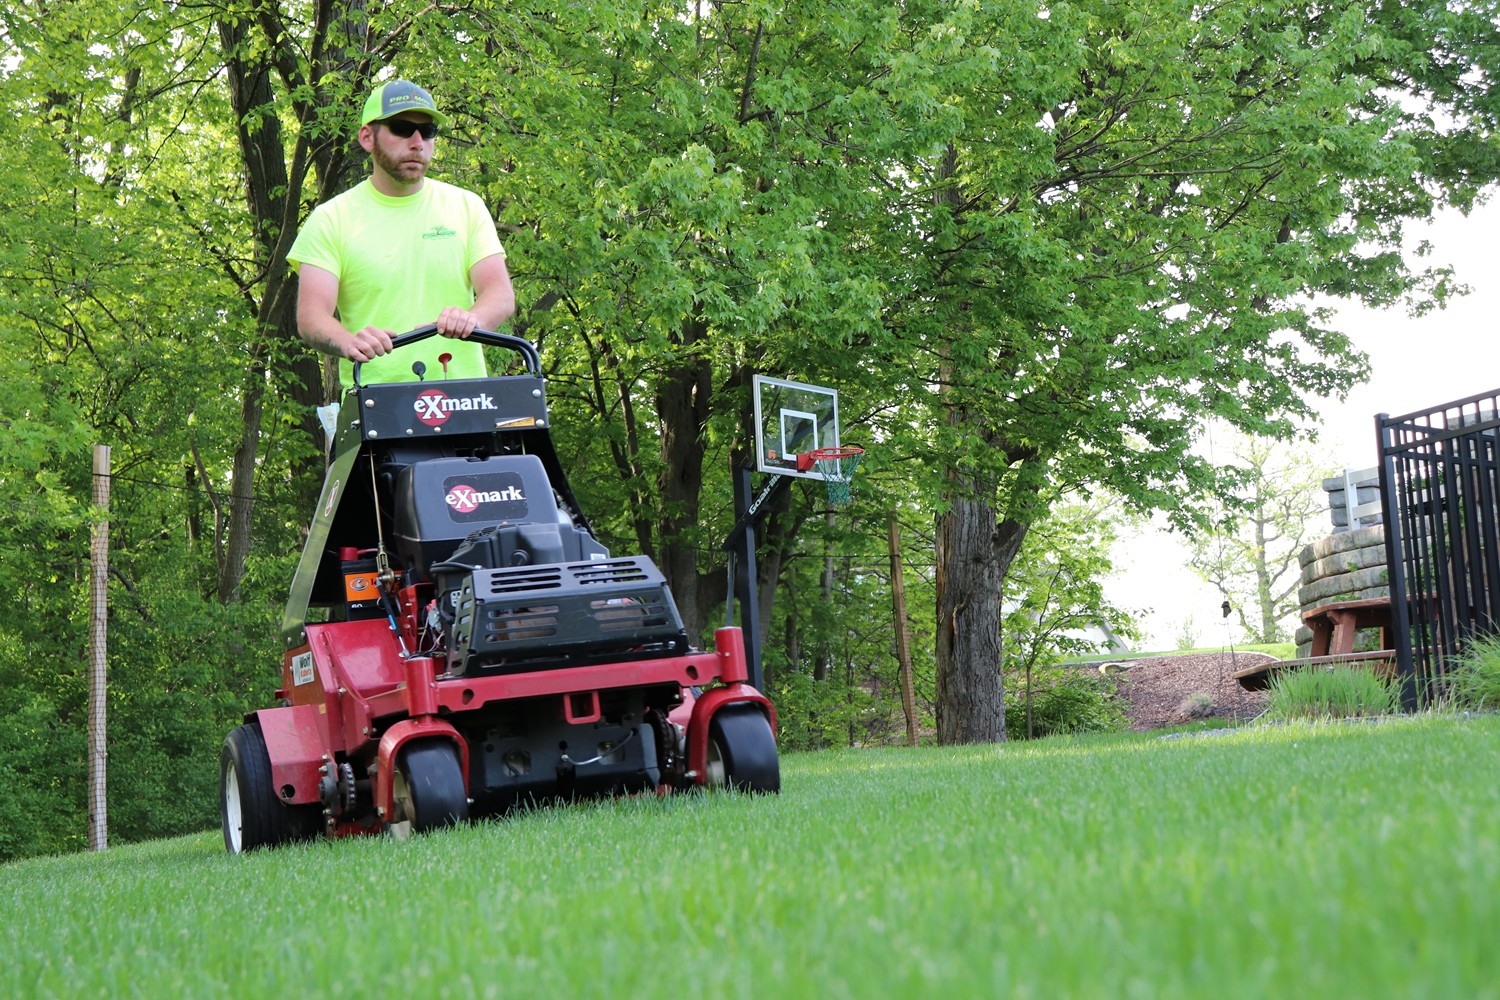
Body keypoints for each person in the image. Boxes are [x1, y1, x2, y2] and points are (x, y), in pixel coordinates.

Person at [287, 79, 515, 389]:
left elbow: (499, 295)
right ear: (368, 137)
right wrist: (350, 341)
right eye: (402, 128)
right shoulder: (331, 219)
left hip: (465, 401)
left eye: (429, 131)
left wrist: (472, 319)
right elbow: (311, 317)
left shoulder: (466, 206)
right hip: (376, 406)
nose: (418, 142)